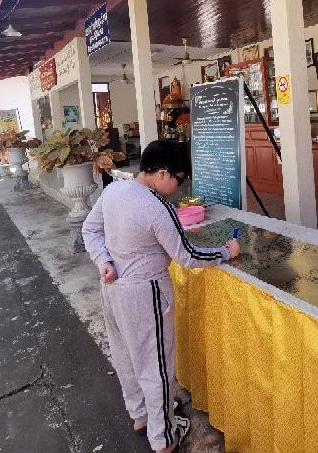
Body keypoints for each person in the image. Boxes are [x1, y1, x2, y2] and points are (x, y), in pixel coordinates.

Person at [83, 140, 241, 453]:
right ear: (163, 173)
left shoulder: (115, 190)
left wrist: (104, 261)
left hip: (113, 289)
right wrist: (226, 250)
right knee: (155, 367)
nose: (180, 188)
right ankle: (164, 437)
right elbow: (187, 256)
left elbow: (91, 229)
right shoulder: (157, 208)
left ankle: (140, 416)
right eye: (180, 180)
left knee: (126, 356)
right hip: (147, 294)